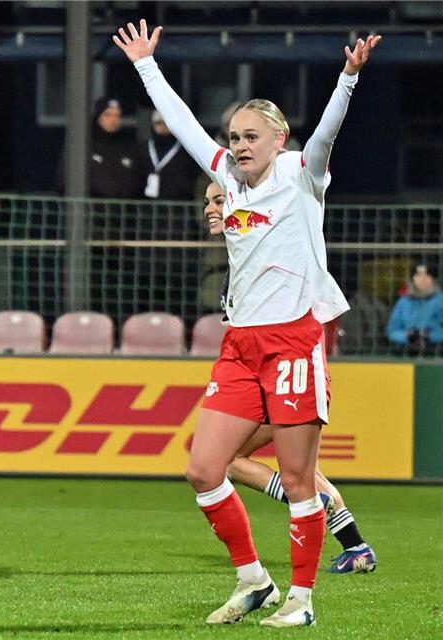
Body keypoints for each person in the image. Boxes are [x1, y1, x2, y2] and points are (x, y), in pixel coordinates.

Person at [114, 20, 380, 626]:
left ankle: (303, 601)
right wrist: (147, 66)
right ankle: (253, 580)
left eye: (251, 136)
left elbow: (329, 135)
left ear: (281, 139)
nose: (239, 145)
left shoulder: (302, 175)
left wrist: (346, 79)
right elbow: (182, 126)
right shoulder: (227, 182)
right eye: (233, 136)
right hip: (239, 346)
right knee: (203, 468)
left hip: (293, 341)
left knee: (297, 478)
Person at [203, 182, 378, 575]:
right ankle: (354, 544)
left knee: (232, 460)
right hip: (276, 371)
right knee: (292, 466)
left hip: (285, 369)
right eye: (206, 202)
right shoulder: (242, 260)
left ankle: (317, 514)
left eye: (218, 200)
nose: (210, 209)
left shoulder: (273, 248)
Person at [55, 97, 144, 199]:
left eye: (117, 115)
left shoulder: (127, 147)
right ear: (98, 117)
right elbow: (64, 180)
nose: (113, 120)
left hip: (123, 212)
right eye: (108, 115)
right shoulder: (83, 146)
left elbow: (139, 180)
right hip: (91, 212)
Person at [386, 263, 443, 356]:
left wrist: (429, 336)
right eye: (418, 275)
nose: (422, 279)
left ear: (433, 279)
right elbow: (392, 331)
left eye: (426, 276)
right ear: (413, 279)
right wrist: (407, 336)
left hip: (436, 353)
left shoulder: (440, 301)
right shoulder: (403, 302)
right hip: (405, 353)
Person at [140, 110, 197, 200]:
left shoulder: (184, 149)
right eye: (158, 123)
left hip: (177, 203)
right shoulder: (144, 148)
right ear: (153, 125)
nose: (163, 126)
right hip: (148, 204)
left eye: (166, 123)